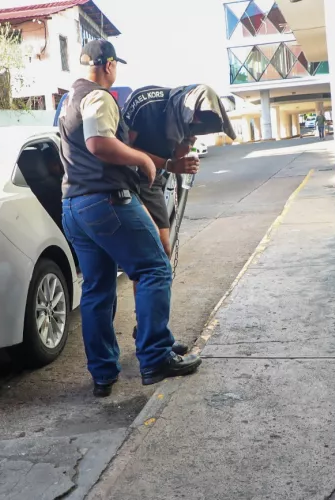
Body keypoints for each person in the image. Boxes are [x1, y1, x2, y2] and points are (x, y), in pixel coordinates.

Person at [59, 40, 201, 399]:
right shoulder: (98, 97)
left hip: (74, 206)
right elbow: (98, 143)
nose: (115, 71)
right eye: (114, 65)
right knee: (154, 268)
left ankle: (103, 374)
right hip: (106, 201)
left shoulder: (67, 101)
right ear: (107, 66)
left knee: (97, 289)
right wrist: (142, 159)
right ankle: (155, 357)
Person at [122, 86, 202, 351]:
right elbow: (125, 148)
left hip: (157, 179)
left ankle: (151, 330)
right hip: (135, 177)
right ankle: (149, 335)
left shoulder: (189, 116)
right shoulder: (147, 105)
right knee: (153, 259)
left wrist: (184, 158)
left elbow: (177, 155)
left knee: (160, 256)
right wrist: (170, 164)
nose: (188, 140)